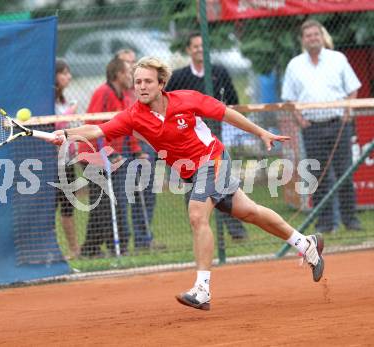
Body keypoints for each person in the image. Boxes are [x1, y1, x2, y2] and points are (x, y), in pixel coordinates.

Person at [50, 57, 325, 311]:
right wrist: (66, 134)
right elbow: (98, 130)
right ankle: (306, 243)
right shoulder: (133, 115)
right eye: (138, 82)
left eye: (148, 81)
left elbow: (225, 113)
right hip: (191, 172)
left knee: (196, 215)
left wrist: (262, 132)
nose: (142, 86)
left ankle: (202, 289)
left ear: (161, 84)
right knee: (249, 211)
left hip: (213, 158)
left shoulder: (186, 99)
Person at [282, 19, 362, 234]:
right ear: (303, 40)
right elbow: (289, 99)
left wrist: (348, 111)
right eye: (308, 36)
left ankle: (351, 219)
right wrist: (300, 120)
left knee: (345, 172)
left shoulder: (338, 59)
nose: (313, 38)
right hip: (312, 128)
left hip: (339, 125)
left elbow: (353, 88)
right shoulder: (294, 65)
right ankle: (325, 223)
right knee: (318, 176)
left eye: (316, 34)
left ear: (322, 36)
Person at [166, 31, 248, 241]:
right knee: (193, 185)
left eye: (203, 46)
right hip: (187, 139)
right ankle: (201, 231)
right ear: (188, 50)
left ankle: (236, 232)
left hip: (213, 135)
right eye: (195, 46)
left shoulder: (219, 72)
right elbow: (167, 104)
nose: (199, 50)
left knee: (222, 183)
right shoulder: (179, 76)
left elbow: (232, 100)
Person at [79, 57, 142, 257]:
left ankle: (102, 247)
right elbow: (93, 126)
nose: (131, 76)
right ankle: (91, 249)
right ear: (118, 74)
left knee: (111, 203)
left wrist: (136, 149)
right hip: (92, 154)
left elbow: (126, 128)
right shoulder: (103, 93)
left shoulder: (123, 97)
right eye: (128, 72)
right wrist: (108, 152)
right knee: (103, 204)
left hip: (111, 156)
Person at [115, 48, 160, 250]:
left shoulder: (140, 89)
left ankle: (144, 239)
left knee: (148, 193)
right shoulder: (118, 91)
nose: (131, 67)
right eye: (126, 63)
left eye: (134, 62)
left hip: (144, 145)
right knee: (129, 196)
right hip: (127, 148)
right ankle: (129, 241)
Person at [54, 58, 80, 260]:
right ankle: (50, 249)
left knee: (68, 206)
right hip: (51, 163)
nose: (68, 76)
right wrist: (72, 111)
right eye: (64, 72)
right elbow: (57, 127)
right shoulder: (50, 101)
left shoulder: (63, 100)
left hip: (68, 161)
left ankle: (74, 250)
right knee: (48, 208)